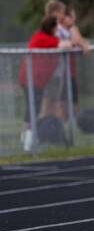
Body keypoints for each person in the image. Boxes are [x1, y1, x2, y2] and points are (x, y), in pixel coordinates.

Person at [19, 15, 73, 150]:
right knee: (33, 109)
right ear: (52, 28)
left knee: (32, 109)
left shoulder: (45, 37)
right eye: (56, 27)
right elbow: (64, 44)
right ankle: (28, 142)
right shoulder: (43, 38)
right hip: (32, 79)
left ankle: (27, 138)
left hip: (35, 80)